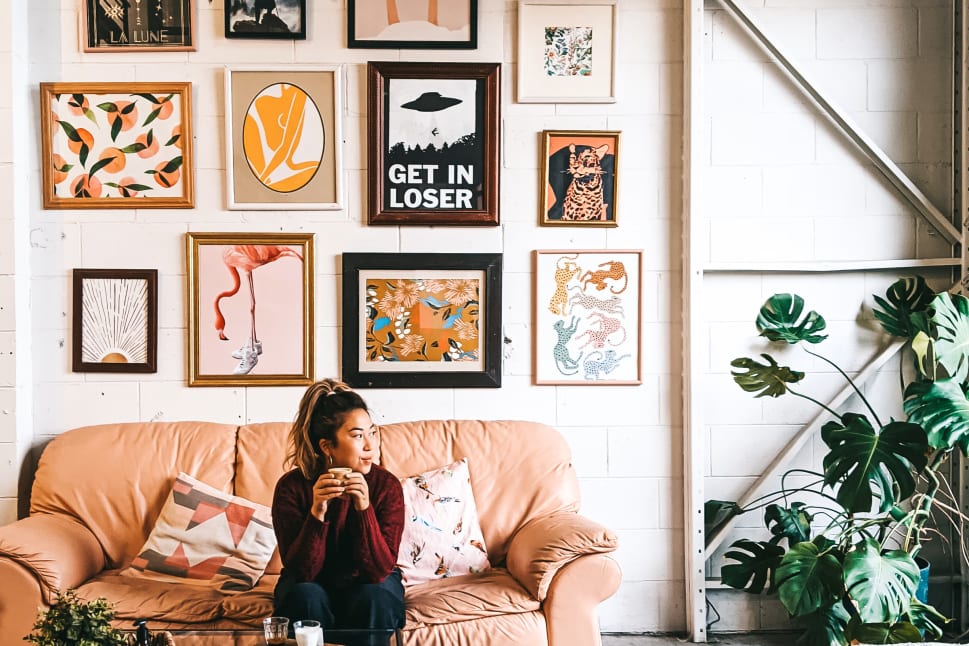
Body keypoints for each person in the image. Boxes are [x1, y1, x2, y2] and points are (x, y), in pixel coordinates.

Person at [271, 379, 405, 645]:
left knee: (375, 596)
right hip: (311, 583)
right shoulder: (291, 487)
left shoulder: (386, 485)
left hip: (369, 582)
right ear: (327, 446)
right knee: (305, 596)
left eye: (372, 432)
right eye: (357, 435)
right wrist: (317, 513)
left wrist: (364, 509)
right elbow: (302, 572)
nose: (371, 445)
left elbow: (378, 571)